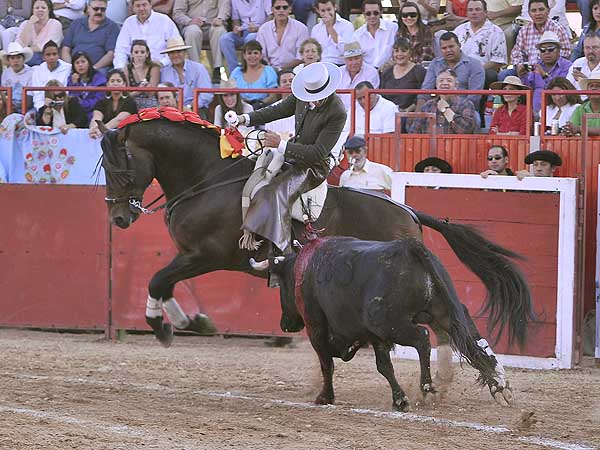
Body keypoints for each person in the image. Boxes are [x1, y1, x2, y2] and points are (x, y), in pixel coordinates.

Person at [234, 62, 346, 256]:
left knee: (276, 192)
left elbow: (318, 153)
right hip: (292, 154)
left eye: (320, 97)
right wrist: (245, 119)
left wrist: (281, 145)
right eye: (314, 97)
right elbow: (276, 110)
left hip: (314, 167)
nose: (316, 101)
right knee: (256, 174)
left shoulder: (337, 111)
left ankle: (283, 256)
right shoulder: (303, 95)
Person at [417, 31, 484, 115]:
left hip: (465, 109)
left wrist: (449, 111)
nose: (448, 50)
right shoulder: (435, 63)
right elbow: (425, 91)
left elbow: (474, 97)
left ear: (459, 46)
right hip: (437, 108)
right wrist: (418, 113)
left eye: (451, 46)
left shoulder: (475, 64)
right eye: (444, 48)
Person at [453, 0, 507, 94]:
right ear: (467, 13)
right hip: (458, 70)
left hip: (483, 71)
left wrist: (475, 70)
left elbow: (498, 61)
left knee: (490, 75)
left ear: (486, 12)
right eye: (470, 10)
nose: (474, 13)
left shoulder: (496, 31)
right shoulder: (459, 30)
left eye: (478, 9)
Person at [113, 0, 181, 69]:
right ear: (133, 8)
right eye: (138, 6)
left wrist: (162, 63)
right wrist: (120, 69)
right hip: (136, 69)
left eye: (144, 5)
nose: (141, 8)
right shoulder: (129, 23)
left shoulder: (165, 20)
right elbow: (121, 50)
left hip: (163, 67)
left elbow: (176, 47)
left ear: (150, 5)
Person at [172, 0, 229, 83]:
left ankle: (218, 69)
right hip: (192, 24)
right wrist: (189, 21)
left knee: (219, 30)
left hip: (213, 23)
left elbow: (225, 6)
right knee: (192, 31)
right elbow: (177, 13)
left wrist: (220, 18)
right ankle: (195, 69)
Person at [509, 0, 571, 73]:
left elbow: (565, 53)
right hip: (528, 70)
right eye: (534, 11)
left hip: (551, 70)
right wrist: (520, 65)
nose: (538, 13)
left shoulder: (558, 29)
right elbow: (516, 53)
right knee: (505, 74)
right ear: (529, 13)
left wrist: (544, 66)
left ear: (548, 11)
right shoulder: (524, 30)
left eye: (541, 9)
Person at [410, 69, 478, 134]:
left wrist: (446, 110)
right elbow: (413, 132)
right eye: (441, 80)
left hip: (454, 145)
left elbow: (466, 130)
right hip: (430, 145)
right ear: (436, 85)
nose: (445, 83)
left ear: (456, 85)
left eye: (449, 80)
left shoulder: (466, 104)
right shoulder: (427, 106)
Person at [60, 0, 120, 73]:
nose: (99, 12)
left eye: (103, 9)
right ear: (88, 9)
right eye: (96, 9)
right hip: (74, 67)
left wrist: (93, 69)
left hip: (98, 68)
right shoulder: (76, 24)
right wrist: (69, 68)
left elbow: (111, 54)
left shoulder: (112, 27)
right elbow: (65, 48)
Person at [519, 30, 571, 113]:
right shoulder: (536, 65)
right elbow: (528, 88)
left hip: (560, 111)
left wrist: (544, 76)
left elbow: (562, 90)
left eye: (550, 49)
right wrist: (522, 76)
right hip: (536, 112)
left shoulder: (567, 66)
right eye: (543, 50)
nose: (546, 53)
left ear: (559, 50)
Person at [159, 36, 213, 115]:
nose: (175, 55)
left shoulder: (198, 68)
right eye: (172, 52)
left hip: (196, 109)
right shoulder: (164, 72)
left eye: (179, 51)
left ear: (185, 52)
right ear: (168, 55)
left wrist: (190, 107)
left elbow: (206, 95)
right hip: (172, 110)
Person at [218, 0, 271, 74]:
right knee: (225, 39)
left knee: (250, 38)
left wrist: (259, 28)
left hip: (260, 31)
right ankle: (235, 73)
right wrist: (236, 28)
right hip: (243, 31)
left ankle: (250, 71)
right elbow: (235, 20)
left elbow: (271, 16)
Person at [256, 0, 308, 71]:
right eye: (277, 8)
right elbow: (262, 55)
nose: (281, 10)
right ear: (272, 10)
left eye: (285, 7)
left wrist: (281, 70)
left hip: (294, 70)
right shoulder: (263, 29)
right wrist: (271, 70)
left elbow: (301, 57)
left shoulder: (301, 28)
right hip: (269, 70)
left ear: (290, 9)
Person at [228, 39, 278, 108]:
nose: (252, 56)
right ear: (244, 56)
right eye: (249, 53)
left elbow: (273, 96)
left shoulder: (268, 70)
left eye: (255, 53)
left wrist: (260, 104)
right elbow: (230, 92)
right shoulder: (237, 71)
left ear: (261, 55)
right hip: (240, 108)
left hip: (263, 108)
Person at [379, 37, 426, 111]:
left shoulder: (419, 71)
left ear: (410, 53)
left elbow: (422, 96)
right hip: (388, 113)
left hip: (410, 115)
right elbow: (381, 96)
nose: (399, 54)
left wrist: (407, 111)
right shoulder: (387, 72)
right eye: (396, 51)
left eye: (403, 51)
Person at [89, 68, 138, 138]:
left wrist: (102, 130)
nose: (115, 83)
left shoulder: (130, 102)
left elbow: (119, 119)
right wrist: (93, 129)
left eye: (118, 81)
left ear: (124, 84)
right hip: (104, 136)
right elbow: (96, 118)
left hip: (125, 137)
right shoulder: (101, 102)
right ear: (107, 84)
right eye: (112, 81)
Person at [352, 0, 397, 69]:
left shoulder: (393, 28)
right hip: (367, 72)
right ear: (364, 14)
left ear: (381, 12)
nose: (372, 16)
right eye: (368, 13)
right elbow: (357, 58)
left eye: (375, 13)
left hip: (390, 70)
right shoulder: (357, 35)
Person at [15, 0, 62, 65]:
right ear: (32, 10)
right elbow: (20, 44)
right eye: (37, 8)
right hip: (26, 56)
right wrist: (29, 24)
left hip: (45, 57)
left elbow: (46, 47)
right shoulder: (25, 24)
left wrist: (26, 50)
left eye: (43, 8)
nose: (40, 10)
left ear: (49, 10)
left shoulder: (55, 24)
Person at [310, 0, 354, 65]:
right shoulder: (315, 29)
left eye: (329, 9)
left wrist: (330, 27)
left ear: (335, 7)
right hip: (322, 65)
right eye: (323, 11)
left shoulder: (347, 25)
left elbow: (347, 51)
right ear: (318, 11)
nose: (326, 13)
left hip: (341, 65)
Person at [31, 40, 71, 110]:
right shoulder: (37, 71)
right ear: (43, 57)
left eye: (54, 54)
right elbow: (37, 95)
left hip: (64, 107)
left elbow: (67, 93)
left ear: (59, 55)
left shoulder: (68, 68)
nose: (51, 57)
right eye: (48, 55)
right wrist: (42, 109)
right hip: (43, 107)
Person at [67, 51, 107, 120]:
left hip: (94, 112)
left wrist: (82, 103)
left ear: (89, 63)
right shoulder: (72, 79)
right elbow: (73, 100)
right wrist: (75, 85)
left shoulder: (99, 79)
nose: (80, 65)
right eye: (77, 63)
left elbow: (98, 101)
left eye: (83, 61)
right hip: (78, 113)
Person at [339, 41, 380, 107]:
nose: (354, 62)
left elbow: (370, 98)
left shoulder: (371, 72)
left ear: (362, 58)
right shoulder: (339, 72)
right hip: (340, 112)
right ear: (345, 60)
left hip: (362, 111)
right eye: (350, 59)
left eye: (357, 58)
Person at [125, 39, 160, 109]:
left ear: (147, 54)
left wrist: (140, 72)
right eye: (136, 52)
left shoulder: (154, 67)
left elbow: (151, 93)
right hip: (131, 100)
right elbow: (126, 94)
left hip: (149, 101)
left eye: (142, 52)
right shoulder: (127, 68)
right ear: (132, 54)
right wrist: (139, 91)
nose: (139, 55)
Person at [0, 41, 34, 113]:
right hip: (8, 106)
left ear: (23, 59)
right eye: (12, 58)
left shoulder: (31, 73)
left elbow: (30, 99)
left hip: (26, 107)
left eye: (18, 57)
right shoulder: (6, 73)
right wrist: (9, 106)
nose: (16, 61)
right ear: (8, 60)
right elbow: (3, 93)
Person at [265, 69, 296, 140]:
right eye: (284, 81)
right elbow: (269, 134)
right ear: (279, 86)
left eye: (291, 81)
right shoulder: (271, 109)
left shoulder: (305, 107)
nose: (288, 84)